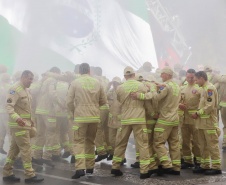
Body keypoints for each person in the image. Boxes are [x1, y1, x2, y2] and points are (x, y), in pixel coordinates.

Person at [67, 63, 107, 179]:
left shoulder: (75, 83)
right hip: (94, 117)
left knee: (78, 142)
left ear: (79, 71)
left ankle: (80, 168)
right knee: (90, 141)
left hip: (80, 117)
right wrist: (94, 107)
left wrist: (74, 111)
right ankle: (90, 167)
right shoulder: (97, 82)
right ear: (89, 71)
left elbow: (69, 101)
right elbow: (103, 101)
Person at [3, 70, 44, 183]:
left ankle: (7, 172)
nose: (31, 81)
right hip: (18, 125)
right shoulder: (15, 89)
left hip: (25, 125)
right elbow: (9, 106)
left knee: (14, 150)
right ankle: (29, 175)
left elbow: (25, 108)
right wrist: (18, 119)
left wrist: (30, 121)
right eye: (29, 79)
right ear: (23, 77)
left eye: (32, 79)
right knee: (26, 150)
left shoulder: (26, 90)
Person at [111, 66, 151, 179]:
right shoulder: (141, 86)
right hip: (139, 119)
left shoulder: (120, 88)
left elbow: (119, 100)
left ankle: (115, 167)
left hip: (125, 119)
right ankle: (144, 171)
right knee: (142, 144)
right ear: (134, 75)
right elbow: (146, 99)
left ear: (124, 76)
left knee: (120, 143)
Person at [192, 71, 222, 175]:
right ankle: (205, 165)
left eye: (196, 80)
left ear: (201, 78)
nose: (195, 82)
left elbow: (209, 106)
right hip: (202, 123)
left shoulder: (210, 89)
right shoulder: (204, 88)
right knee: (203, 145)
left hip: (209, 123)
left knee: (212, 145)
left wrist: (197, 113)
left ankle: (216, 167)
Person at [179, 69, 202, 169]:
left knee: (196, 141)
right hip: (184, 118)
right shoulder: (182, 88)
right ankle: (188, 160)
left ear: (195, 77)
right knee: (185, 140)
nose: (190, 79)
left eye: (192, 77)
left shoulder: (199, 88)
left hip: (195, 117)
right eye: (188, 77)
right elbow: (177, 100)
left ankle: (199, 160)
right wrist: (179, 105)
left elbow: (203, 103)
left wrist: (198, 112)